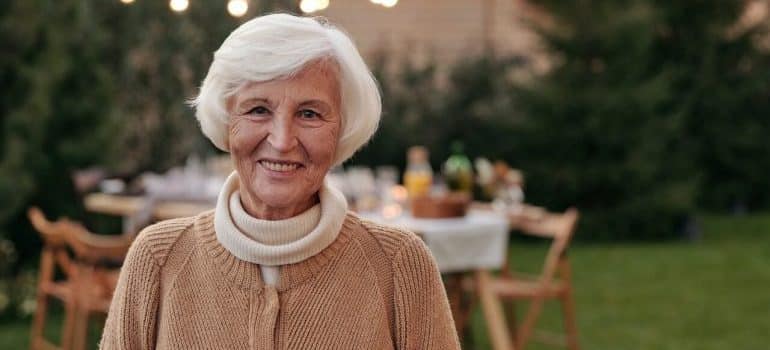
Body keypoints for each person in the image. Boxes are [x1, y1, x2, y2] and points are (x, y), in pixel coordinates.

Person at [100, 13, 460, 349]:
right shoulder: (158, 258)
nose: (283, 140)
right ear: (226, 121)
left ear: (342, 129)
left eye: (309, 113)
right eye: (258, 110)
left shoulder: (399, 265)